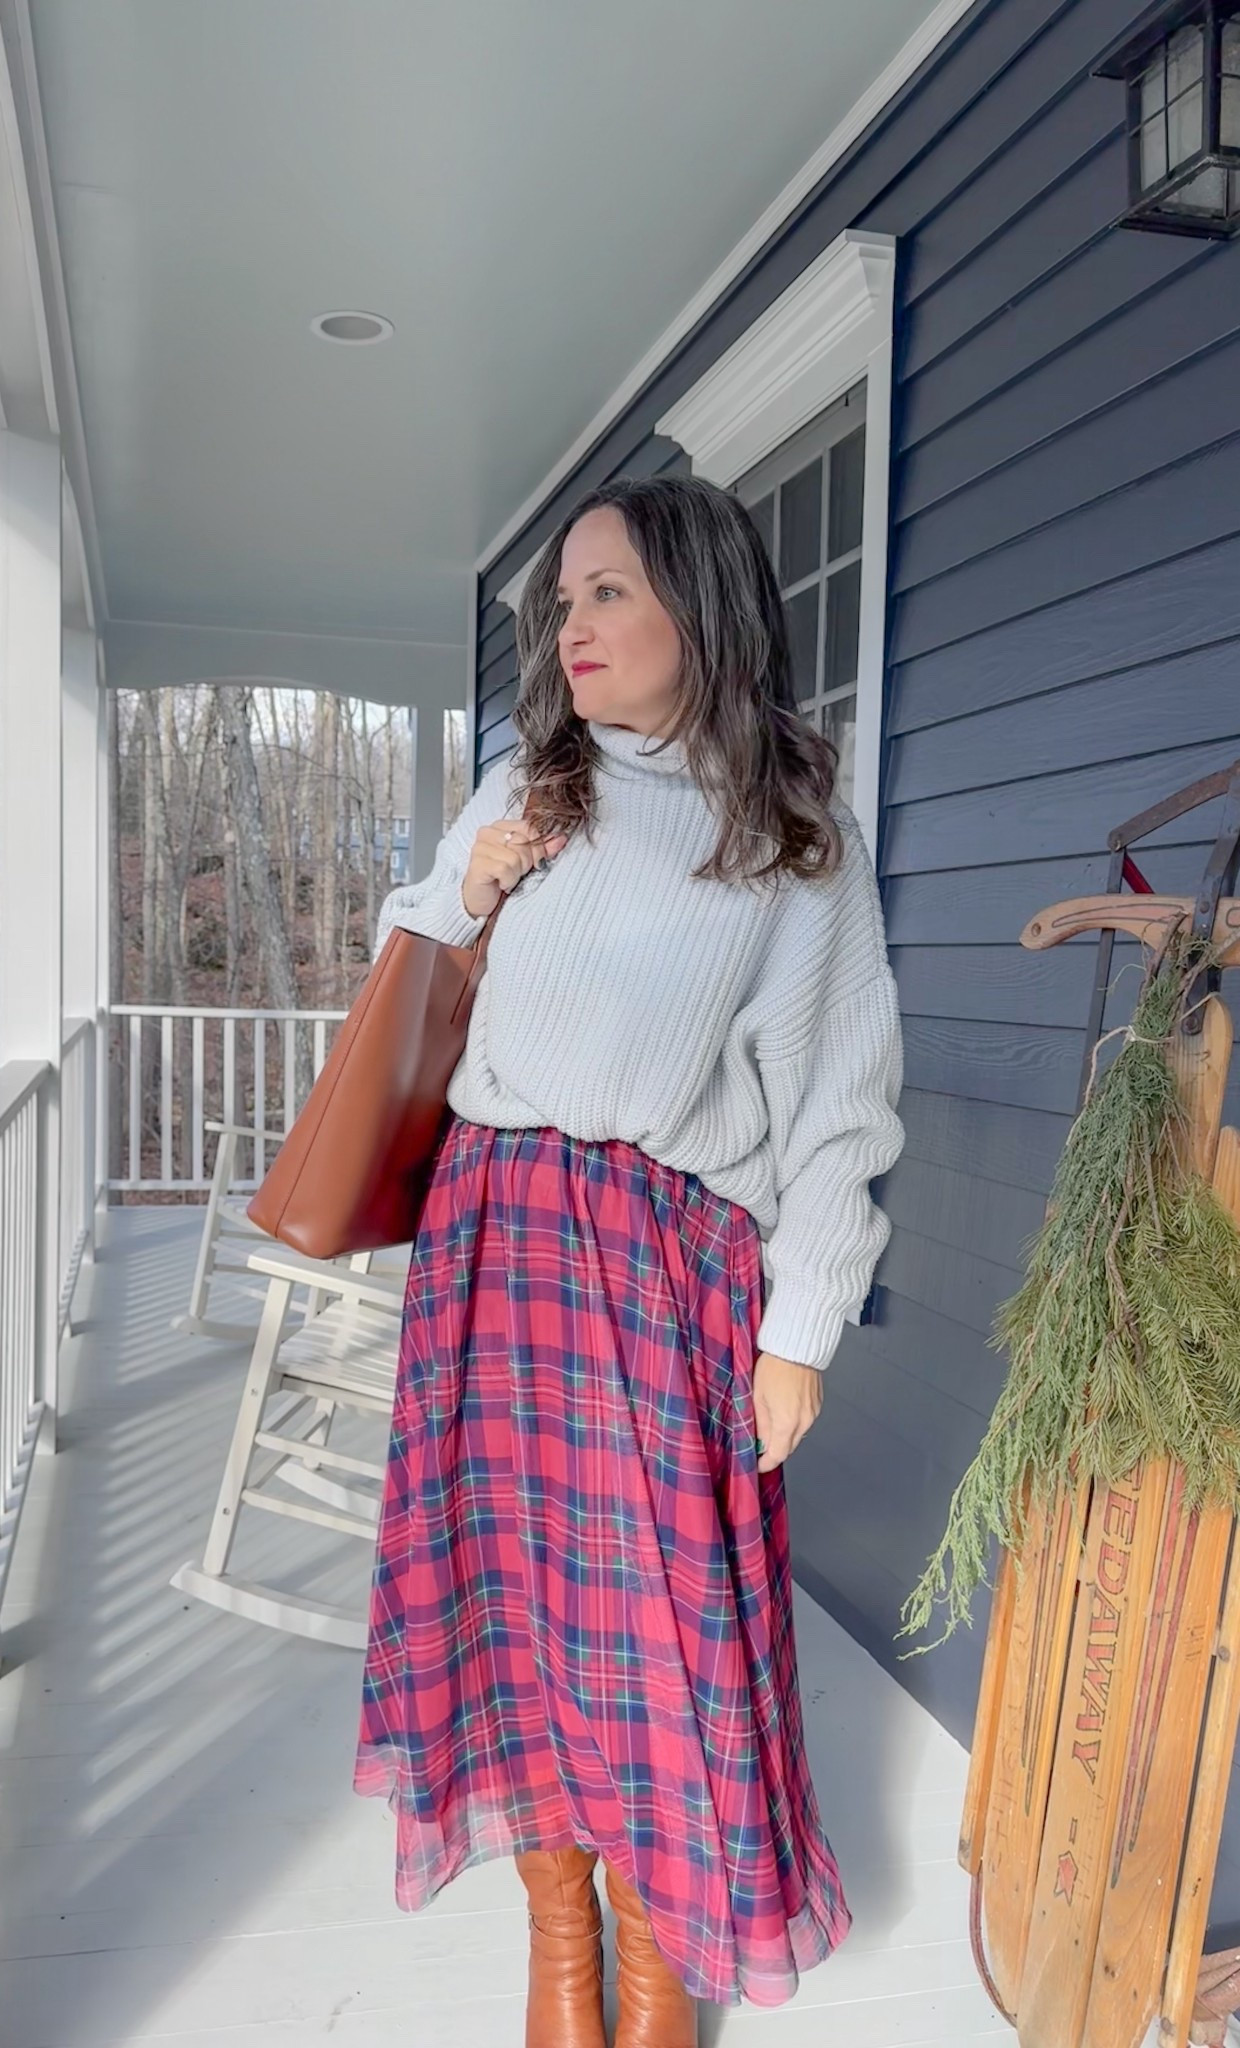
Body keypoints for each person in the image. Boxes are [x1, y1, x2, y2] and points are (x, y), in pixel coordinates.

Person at [351, 472, 905, 2048]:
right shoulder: (532, 787)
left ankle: (658, 1962)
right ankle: (562, 1949)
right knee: (514, 1616)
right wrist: (471, 882)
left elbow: (840, 1104)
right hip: (493, 1247)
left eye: (610, 593)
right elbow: (411, 963)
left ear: (703, 606)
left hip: (667, 1275)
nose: (573, 626)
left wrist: (800, 1327)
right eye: (564, 599)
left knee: (663, 1634)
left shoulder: (795, 839)